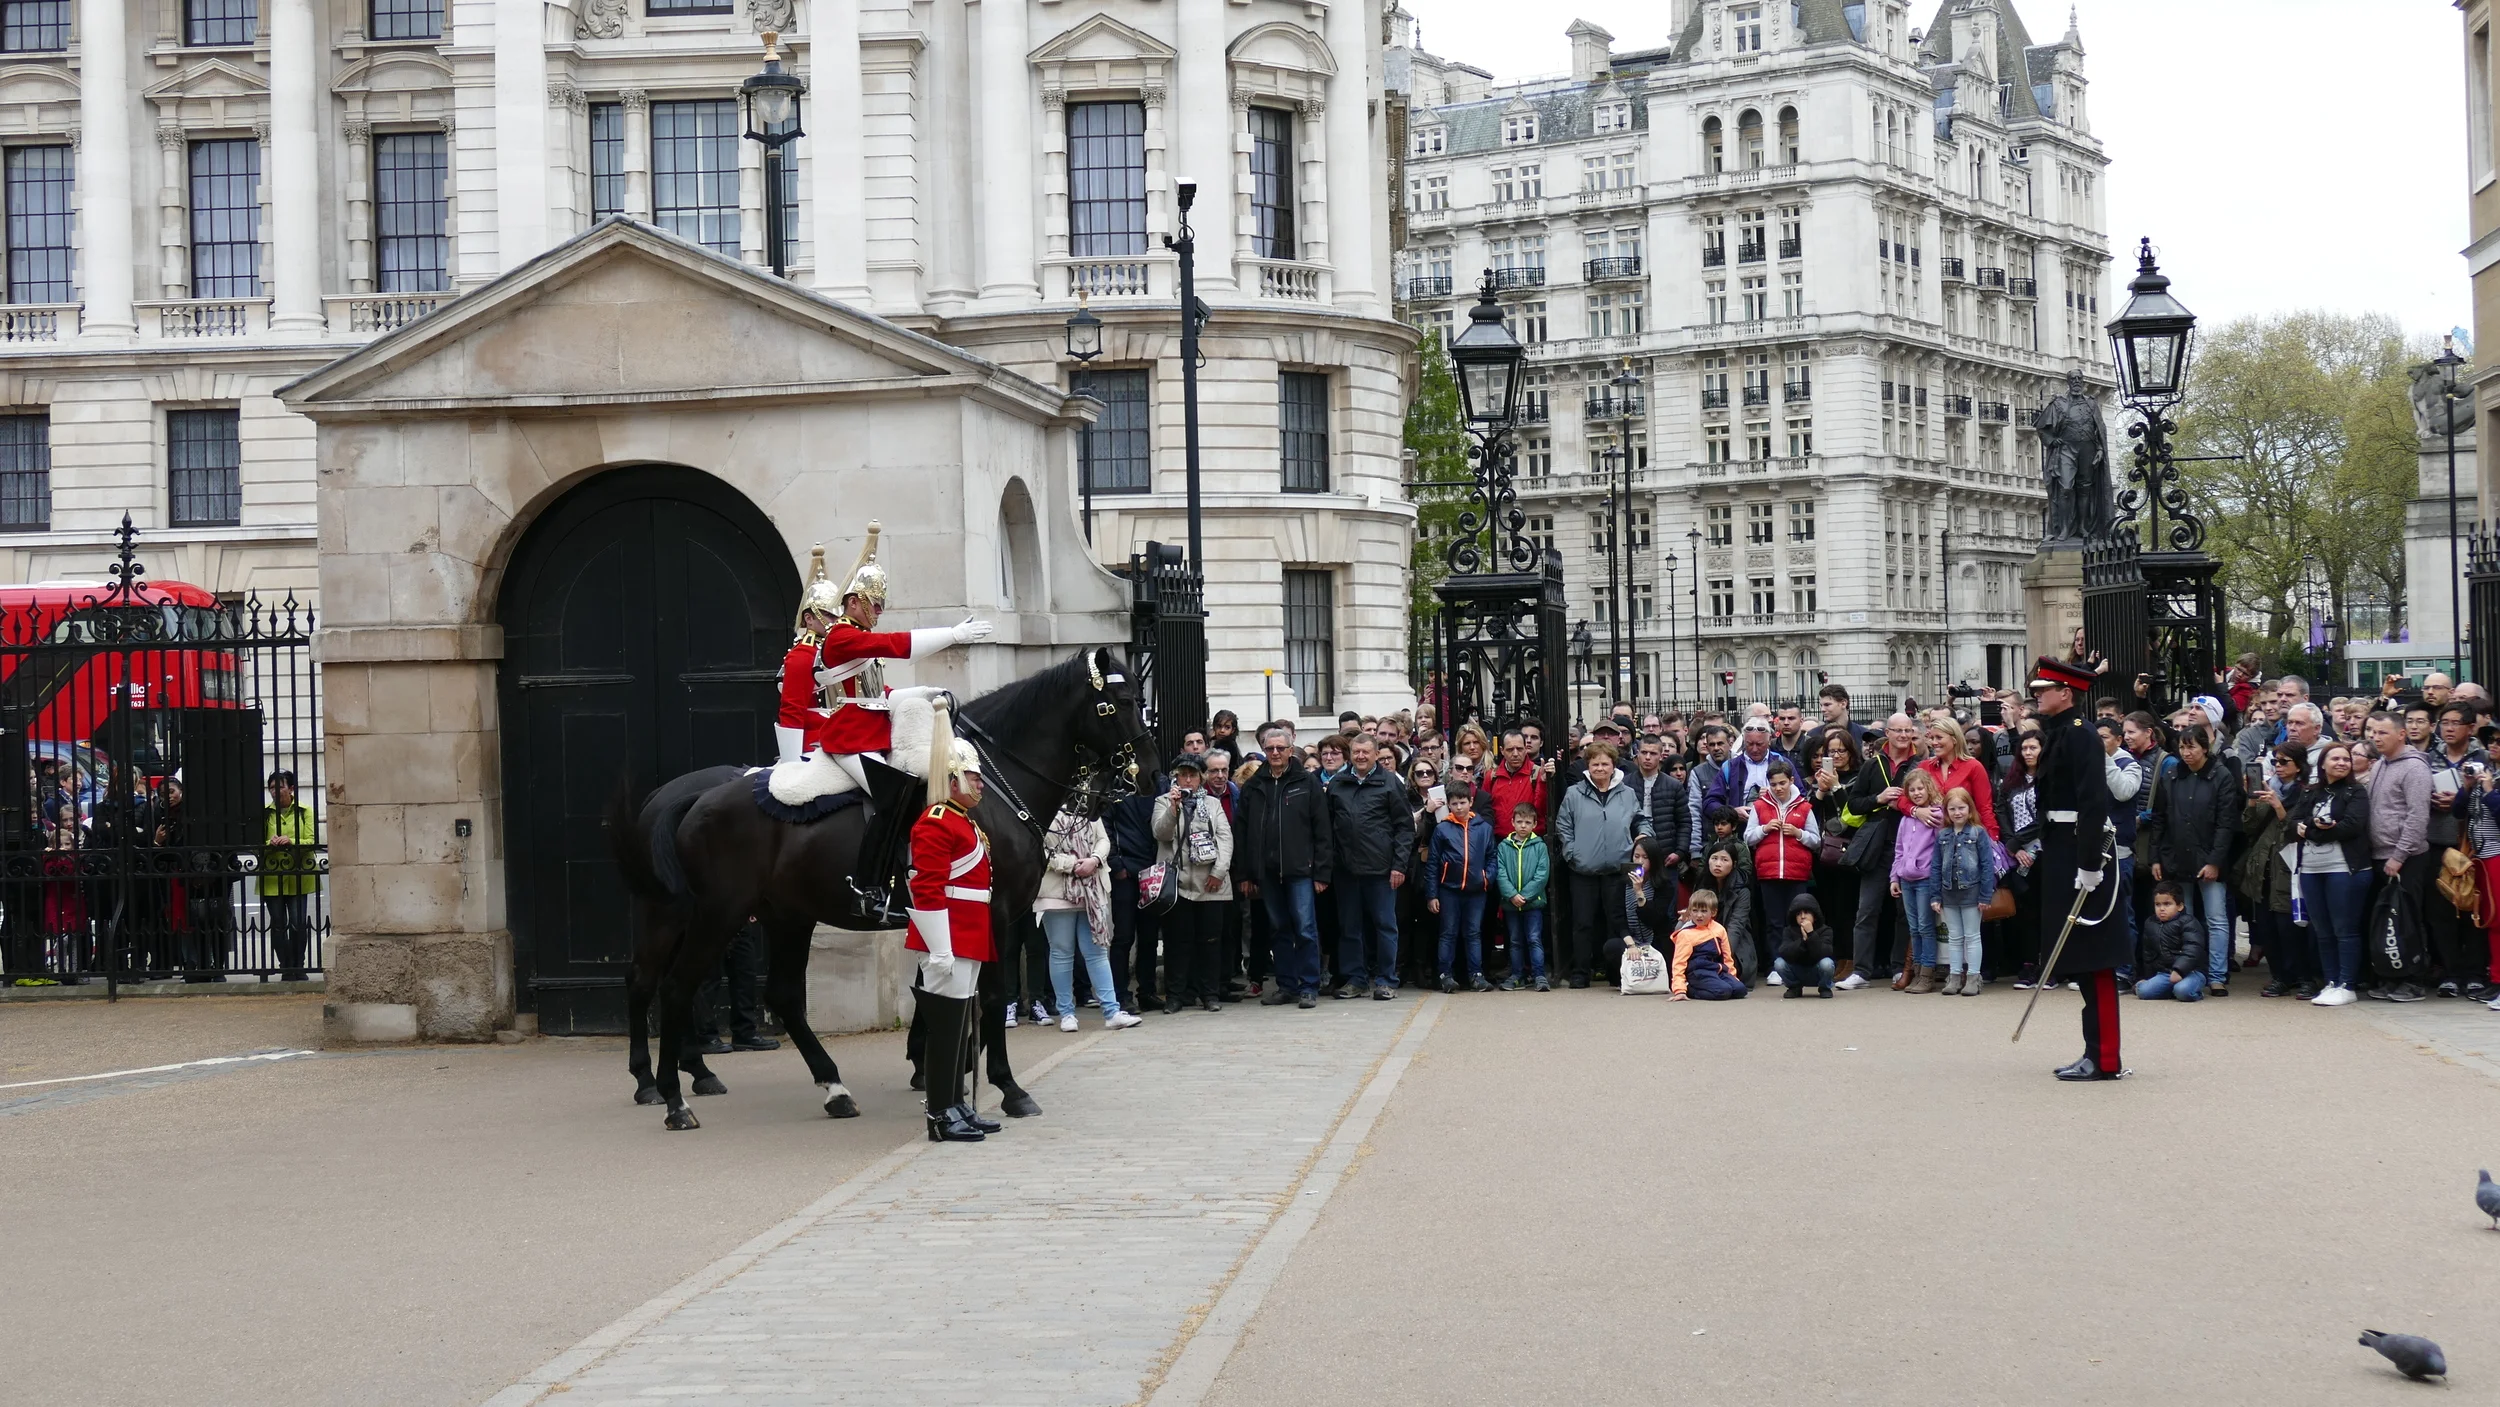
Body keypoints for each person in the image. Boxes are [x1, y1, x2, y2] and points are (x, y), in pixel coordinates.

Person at [803, 524, 997, 925]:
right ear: (853, 602)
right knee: (892, 795)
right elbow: (894, 645)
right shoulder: (841, 636)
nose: (878, 612)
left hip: (873, 733)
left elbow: (879, 694)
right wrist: (952, 634)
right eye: (874, 604)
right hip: (849, 738)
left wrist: (924, 691)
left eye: (881, 605)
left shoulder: (857, 636)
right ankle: (868, 888)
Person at [2025, 657, 2126, 1082]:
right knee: (2081, 958)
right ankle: (2093, 1050)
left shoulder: (2082, 735)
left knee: (2095, 957)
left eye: (2042, 690)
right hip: (2061, 846)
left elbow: (2092, 802)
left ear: (2065, 693)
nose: (2036, 696)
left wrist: (2088, 865)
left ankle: (2105, 1058)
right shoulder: (2059, 732)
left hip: (2080, 851)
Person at [907, 717, 996, 1144]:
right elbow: (927, 887)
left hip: (969, 930)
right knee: (945, 1027)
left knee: (959, 1025)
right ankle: (940, 1113)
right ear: (952, 780)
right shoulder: (936, 820)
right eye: (973, 777)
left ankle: (956, 1104)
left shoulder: (964, 820)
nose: (980, 784)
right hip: (948, 933)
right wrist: (939, 947)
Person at [1237, 722, 1334, 1009]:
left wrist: (1322, 872)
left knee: (1305, 929)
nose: (1275, 752)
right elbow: (1242, 833)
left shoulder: (1307, 783)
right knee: (1278, 930)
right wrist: (1245, 873)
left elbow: (1322, 830)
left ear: (1291, 750)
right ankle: (1286, 986)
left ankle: (1309, 986)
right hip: (1267, 872)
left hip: (1301, 870)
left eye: (1281, 748)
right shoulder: (1254, 786)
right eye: (1270, 748)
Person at [1036, 802, 1140, 1031]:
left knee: (1097, 952)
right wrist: (1071, 864)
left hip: (1092, 889)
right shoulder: (1047, 804)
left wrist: (1094, 860)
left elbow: (1103, 839)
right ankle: (1067, 1014)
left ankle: (1112, 1012)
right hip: (1056, 890)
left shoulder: (1087, 805)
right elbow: (1039, 847)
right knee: (1061, 952)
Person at [1553, 741, 1650, 988]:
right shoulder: (1574, 793)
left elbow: (1640, 819)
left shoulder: (1627, 793)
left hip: (1619, 868)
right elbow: (1563, 826)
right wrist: (1572, 853)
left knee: (1616, 921)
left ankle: (1615, 972)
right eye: (1595, 763)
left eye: (1604, 764)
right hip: (1582, 869)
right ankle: (1580, 972)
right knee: (1582, 923)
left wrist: (1643, 836)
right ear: (1588, 765)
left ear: (1613, 765)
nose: (1599, 768)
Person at [1327, 732, 1410, 1000]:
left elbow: (1404, 827)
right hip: (1346, 870)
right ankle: (1356, 979)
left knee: (1385, 926)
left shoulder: (1390, 783)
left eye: (1366, 752)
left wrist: (1399, 866)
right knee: (1349, 928)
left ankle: (1386, 980)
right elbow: (1328, 826)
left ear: (1376, 754)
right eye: (1356, 752)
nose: (1361, 756)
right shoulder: (1338, 783)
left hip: (1382, 870)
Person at [1838, 714, 1918, 989]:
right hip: (1877, 847)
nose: (1904, 736)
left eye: (1908, 731)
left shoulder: (1920, 764)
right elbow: (1854, 804)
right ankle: (1861, 971)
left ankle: (1899, 968)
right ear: (1888, 733)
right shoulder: (1872, 765)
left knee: (1905, 912)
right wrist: (1879, 799)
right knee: (1867, 910)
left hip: (1910, 846)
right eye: (1898, 731)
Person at [1153, 755, 1234, 1014]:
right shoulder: (1163, 801)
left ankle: (1210, 994)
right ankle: (1176, 996)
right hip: (1177, 886)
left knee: (1210, 942)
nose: (1188, 780)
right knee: (1177, 943)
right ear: (1175, 777)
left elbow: (1225, 839)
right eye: (1183, 775)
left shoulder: (1212, 803)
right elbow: (1161, 833)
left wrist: (1219, 872)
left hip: (1210, 884)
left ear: (1201, 778)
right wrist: (1173, 809)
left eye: (1193, 775)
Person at [2363, 710, 2433, 1002]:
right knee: (2386, 921)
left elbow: (2418, 816)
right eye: (2372, 732)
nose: (2375, 738)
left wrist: (2399, 855)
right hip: (2379, 855)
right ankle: (2391, 978)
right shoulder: (2380, 764)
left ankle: (2413, 981)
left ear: (2402, 734)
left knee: (2408, 920)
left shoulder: (2415, 768)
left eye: (2383, 732)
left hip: (2406, 858)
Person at [2424, 703, 2489, 997]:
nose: (2448, 729)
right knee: (2441, 912)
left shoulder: (2484, 757)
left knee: (2474, 909)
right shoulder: (2428, 757)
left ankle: (2475, 973)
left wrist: (2463, 797)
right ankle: (2450, 973)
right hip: (2437, 841)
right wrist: (2432, 800)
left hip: (2473, 845)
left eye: (2455, 723)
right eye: (2444, 723)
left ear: (2471, 728)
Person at [2237, 746, 2310, 999]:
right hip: (2263, 867)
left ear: (2299, 765)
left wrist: (2279, 806)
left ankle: (2303, 977)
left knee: (2290, 929)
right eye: (2276, 761)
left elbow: (2296, 831)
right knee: (2268, 929)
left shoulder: (2306, 793)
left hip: (2289, 869)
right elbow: (2249, 827)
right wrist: (2252, 799)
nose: (2278, 766)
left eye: (2284, 761)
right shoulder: (2269, 789)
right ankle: (2279, 977)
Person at [1743, 759, 1819, 983]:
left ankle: (1798, 964)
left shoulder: (1804, 806)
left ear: (1791, 781)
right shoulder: (1760, 806)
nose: (1778, 788)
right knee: (1774, 922)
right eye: (1774, 784)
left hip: (1797, 873)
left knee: (1798, 921)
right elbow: (1748, 837)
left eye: (1782, 783)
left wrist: (1798, 833)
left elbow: (1816, 841)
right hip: (1769, 873)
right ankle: (1777, 966)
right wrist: (1764, 829)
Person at [774, 548, 846, 763]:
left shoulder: (837, 649)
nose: (835, 621)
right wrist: (792, 764)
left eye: (837, 615)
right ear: (809, 619)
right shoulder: (803, 655)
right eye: (829, 615)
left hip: (844, 737)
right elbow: (792, 712)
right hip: (817, 748)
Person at [1426, 790, 1496, 992]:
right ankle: (1445, 975)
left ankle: (1476, 975)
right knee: (1448, 933)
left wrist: (1486, 879)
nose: (1459, 807)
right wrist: (1432, 894)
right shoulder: (1442, 829)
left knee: (1473, 933)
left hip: (1476, 891)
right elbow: (1433, 863)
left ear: (1471, 802)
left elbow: (1492, 856)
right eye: (1454, 803)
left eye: (1462, 802)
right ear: (1448, 804)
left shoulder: (1484, 828)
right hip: (1449, 890)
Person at [1934, 786, 1999, 995]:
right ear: (1946, 812)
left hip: (1972, 892)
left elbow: (1987, 866)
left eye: (1961, 808)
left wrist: (1985, 895)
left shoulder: (1978, 833)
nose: (1957, 813)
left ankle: (1973, 977)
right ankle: (1954, 977)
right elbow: (1936, 866)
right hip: (1949, 892)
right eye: (1952, 809)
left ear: (1970, 809)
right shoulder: (1942, 835)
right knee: (1954, 937)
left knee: (1972, 936)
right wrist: (1935, 895)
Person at [1890, 767, 1945, 993]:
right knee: (1914, 928)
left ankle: (1927, 974)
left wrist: (1935, 876)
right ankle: (1917, 970)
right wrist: (1894, 876)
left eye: (1920, 788)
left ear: (1929, 788)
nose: (1917, 793)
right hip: (1906, 879)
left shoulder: (1936, 815)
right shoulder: (1906, 820)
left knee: (1925, 926)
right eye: (1912, 790)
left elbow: (1940, 849)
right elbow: (1899, 850)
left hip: (1925, 879)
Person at [1494, 801, 1551, 991]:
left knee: (1534, 938)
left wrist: (1525, 895)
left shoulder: (1539, 846)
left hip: (1533, 903)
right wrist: (1512, 895)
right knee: (1515, 941)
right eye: (1519, 822)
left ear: (1534, 824)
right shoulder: (1504, 846)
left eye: (1527, 822)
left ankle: (1539, 975)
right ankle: (1517, 975)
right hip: (1511, 903)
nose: (1523, 826)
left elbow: (1542, 874)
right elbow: (1500, 873)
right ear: (1512, 822)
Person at [2133, 881, 2210, 1001]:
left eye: (2167, 904)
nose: (2161, 909)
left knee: (2183, 991)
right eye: (2157, 904)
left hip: (2192, 971)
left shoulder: (2189, 922)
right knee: (2144, 991)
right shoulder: (2150, 923)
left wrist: (2179, 970)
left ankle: (2191, 991)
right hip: (2166, 973)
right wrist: (2148, 977)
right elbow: (2148, 954)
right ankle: (2170, 990)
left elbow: (2193, 950)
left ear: (2180, 906)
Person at [1667, 889, 1746, 1001]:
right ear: (1690, 912)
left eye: (1704, 911)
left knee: (1740, 989)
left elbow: (1727, 957)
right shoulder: (1686, 934)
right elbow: (1679, 963)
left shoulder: (1719, 929)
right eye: (1695, 910)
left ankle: (1721, 984)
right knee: (1723, 991)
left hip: (1716, 969)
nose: (1699, 915)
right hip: (1697, 973)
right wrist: (1679, 989)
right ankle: (1689, 989)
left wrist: (1732, 976)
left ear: (1713, 913)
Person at [1774, 891, 1836, 998]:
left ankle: (1824, 987)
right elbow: (1784, 952)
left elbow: (1825, 952)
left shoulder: (1825, 930)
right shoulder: (1789, 930)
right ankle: (1794, 987)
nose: (1802, 916)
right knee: (1779, 963)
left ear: (1814, 916)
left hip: (1817, 970)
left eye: (1806, 913)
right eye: (1798, 914)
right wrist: (1803, 941)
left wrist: (1811, 934)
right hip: (1797, 970)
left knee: (1827, 964)